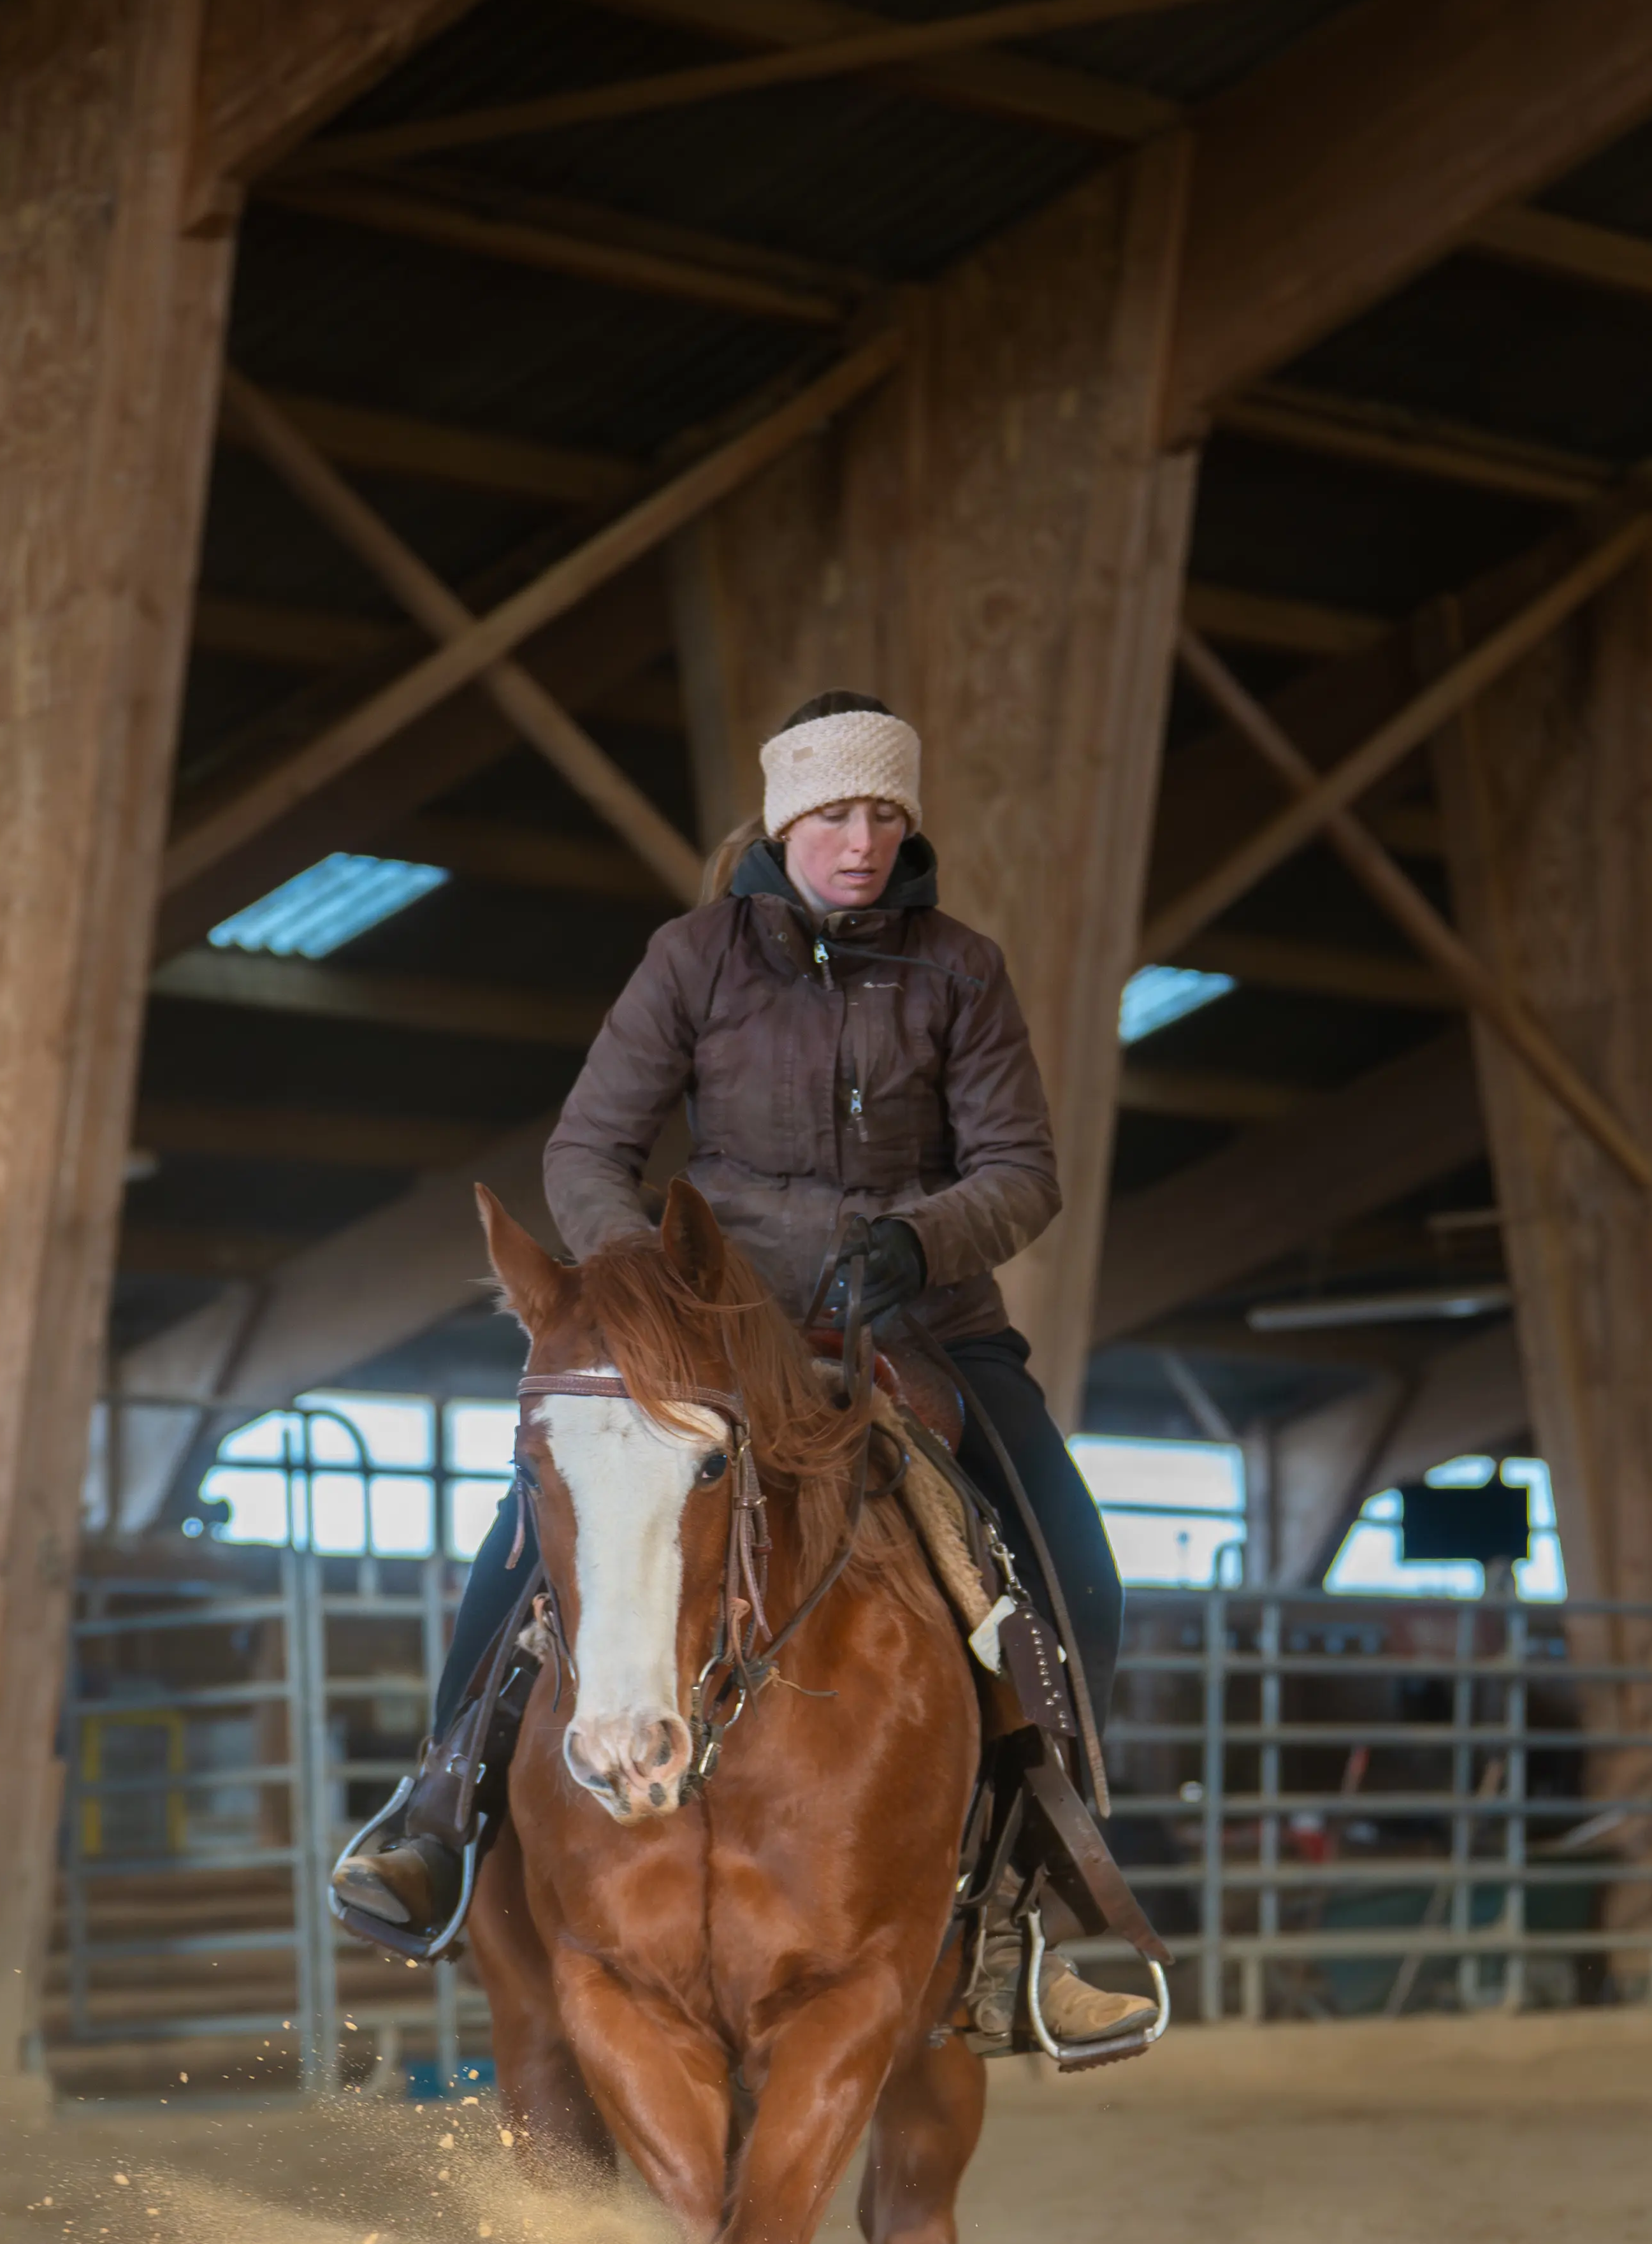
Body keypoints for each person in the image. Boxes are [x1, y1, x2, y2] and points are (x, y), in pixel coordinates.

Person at [333, 688, 1151, 2045]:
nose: (861, 842)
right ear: (784, 823)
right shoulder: (692, 958)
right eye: (834, 816)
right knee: (526, 1539)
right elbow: (588, 1150)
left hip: (921, 1325)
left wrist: (920, 1241)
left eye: (883, 815)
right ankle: (439, 1810)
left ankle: (1033, 1909)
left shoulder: (962, 968)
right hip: (714, 1325)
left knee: (1077, 1573)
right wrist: (643, 1285)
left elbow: (1022, 1170)